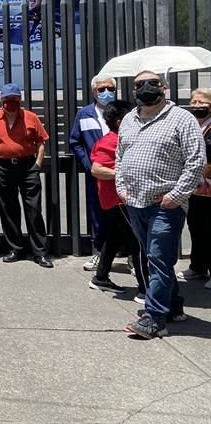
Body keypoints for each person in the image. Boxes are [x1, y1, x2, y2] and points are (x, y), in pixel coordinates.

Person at [116, 71, 205, 339]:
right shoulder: (130, 119)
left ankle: (154, 318)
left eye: (152, 83)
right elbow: (120, 156)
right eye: (139, 84)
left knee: (158, 259)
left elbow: (196, 161)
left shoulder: (182, 119)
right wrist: (121, 186)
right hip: (135, 202)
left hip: (164, 205)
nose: (145, 88)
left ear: (164, 87)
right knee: (155, 258)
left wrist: (175, 196)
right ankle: (173, 306)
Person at [0, 83, 53, 268]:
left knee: (34, 209)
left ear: (19, 100)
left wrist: (37, 164)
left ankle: (40, 252)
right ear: (1, 101)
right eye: (7, 99)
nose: (11, 103)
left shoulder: (31, 117)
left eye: (14, 99)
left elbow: (41, 142)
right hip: (3, 166)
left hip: (27, 166)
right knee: (8, 209)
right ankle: (16, 249)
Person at [88, 100, 147, 299]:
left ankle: (101, 277)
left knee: (114, 238)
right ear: (122, 121)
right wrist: (124, 173)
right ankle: (145, 289)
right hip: (118, 200)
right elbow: (97, 169)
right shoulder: (111, 141)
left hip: (117, 200)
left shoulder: (120, 139)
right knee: (138, 243)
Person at [69, 75, 117, 271]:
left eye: (110, 88)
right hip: (96, 175)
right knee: (98, 213)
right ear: (93, 92)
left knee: (126, 214)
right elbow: (75, 142)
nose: (106, 92)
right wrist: (88, 163)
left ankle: (131, 255)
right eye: (101, 89)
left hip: (122, 173)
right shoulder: (85, 114)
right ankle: (99, 251)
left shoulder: (126, 112)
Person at [177, 88, 211, 288]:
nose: (197, 105)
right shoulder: (191, 125)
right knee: (196, 227)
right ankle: (198, 267)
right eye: (194, 101)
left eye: (202, 102)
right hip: (195, 188)